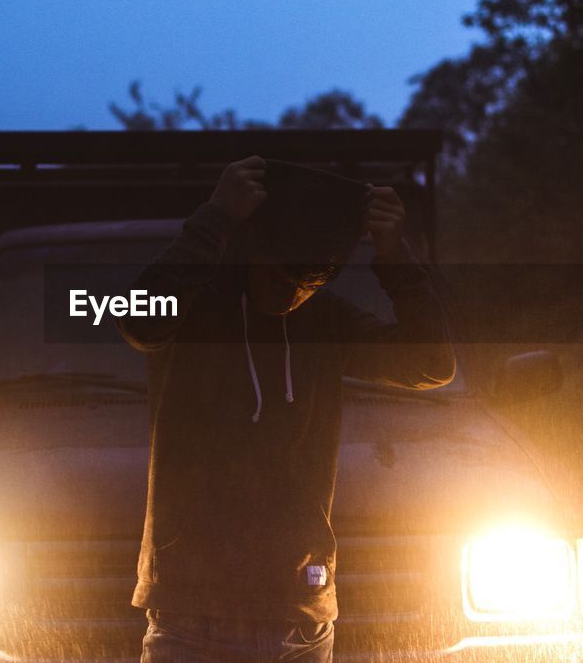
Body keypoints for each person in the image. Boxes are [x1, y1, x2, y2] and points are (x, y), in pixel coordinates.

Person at [116, 155, 455, 663]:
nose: (293, 290)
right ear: (250, 248)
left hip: (299, 621)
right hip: (190, 622)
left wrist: (395, 255)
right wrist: (215, 217)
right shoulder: (195, 312)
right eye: (282, 272)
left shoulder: (324, 321)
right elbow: (129, 315)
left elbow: (432, 364)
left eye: (311, 278)